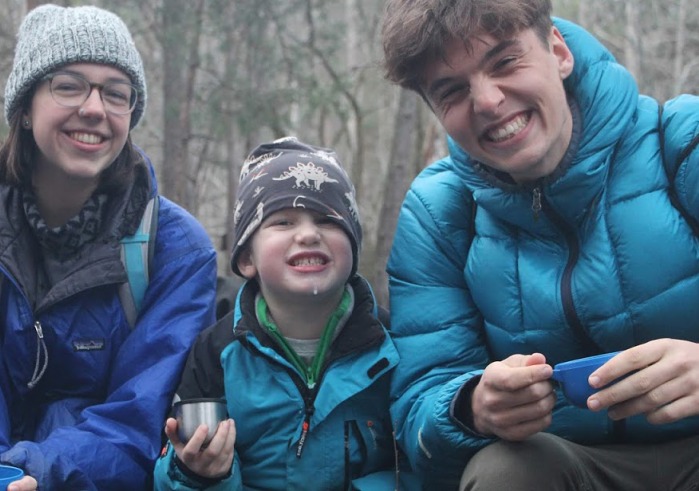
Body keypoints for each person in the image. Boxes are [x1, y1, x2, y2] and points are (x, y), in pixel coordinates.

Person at [381, 0, 699, 489]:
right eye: (452, 91)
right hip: (571, 464)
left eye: (505, 62)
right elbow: (419, 410)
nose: (487, 101)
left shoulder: (682, 143)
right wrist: (473, 407)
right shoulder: (439, 212)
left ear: (557, 50)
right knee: (504, 473)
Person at [0, 4, 217, 490]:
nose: (94, 109)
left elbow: (140, 419)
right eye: (69, 85)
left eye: (115, 94)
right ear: (26, 109)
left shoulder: (176, 251)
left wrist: (36, 471)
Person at [153, 137, 416, 490]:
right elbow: (170, 469)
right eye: (283, 222)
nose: (308, 234)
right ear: (247, 259)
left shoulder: (391, 343)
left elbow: (420, 462)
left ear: (353, 247)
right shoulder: (217, 352)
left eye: (327, 219)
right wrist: (198, 474)